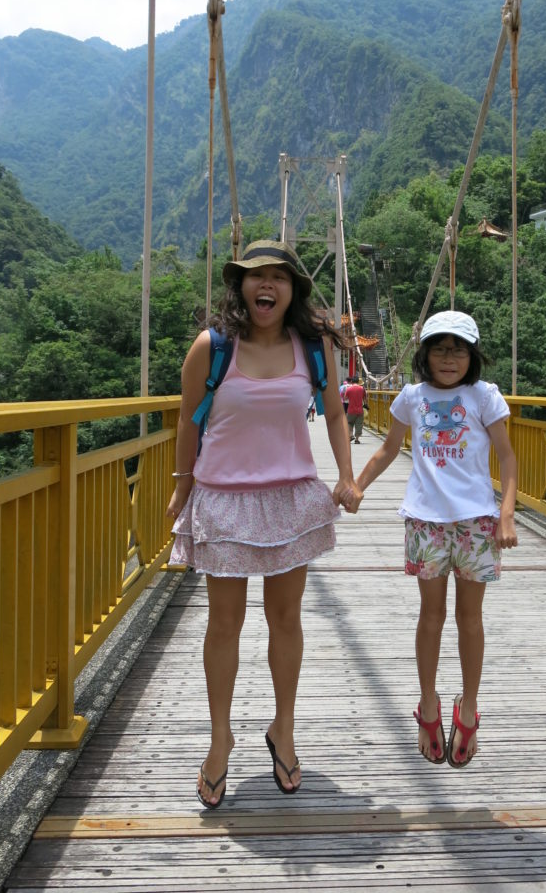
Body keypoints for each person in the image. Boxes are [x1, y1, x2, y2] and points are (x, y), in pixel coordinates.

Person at [167, 239, 362, 808]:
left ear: (293, 289)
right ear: (241, 286)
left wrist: (346, 477)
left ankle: (284, 727)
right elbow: (186, 418)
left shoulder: (315, 346)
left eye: (278, 276)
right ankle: (219, 738)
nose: (266, 285)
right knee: (224, 625)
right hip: (224, 500)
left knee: (286, 621)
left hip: (290, 499)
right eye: (256, 276)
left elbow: (334, 413)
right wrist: (182, 486)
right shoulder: (213, 347)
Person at [345, 310, 517, 768]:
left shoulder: (485, 397)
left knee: (470, 619)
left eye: (458, 349)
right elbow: (386, 449)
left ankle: (468, 706)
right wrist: (358, 485)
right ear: (424, 354)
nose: (448, 358)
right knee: (431, 616)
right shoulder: (411, 397)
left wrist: (506, 514)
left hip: (476, 522)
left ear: (472, 356)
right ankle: (428, 703)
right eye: (439, 348)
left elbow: (507, 457)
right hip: (425, 520)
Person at [345, 375, 366, 444]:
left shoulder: (348, 389)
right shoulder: (362, 388)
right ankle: (357, 439)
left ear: (351, 381)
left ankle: (351, 435)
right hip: (360, 410)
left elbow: (345, 398)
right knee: (359, 424)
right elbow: (365, 399)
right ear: (358, 382)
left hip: (351, 410)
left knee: (349, 423)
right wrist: (365, 404)